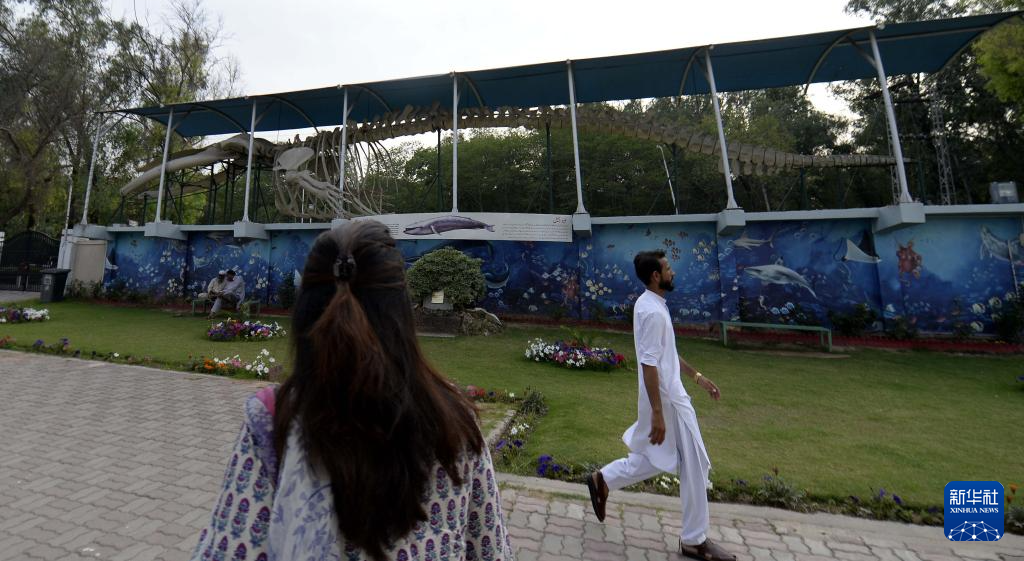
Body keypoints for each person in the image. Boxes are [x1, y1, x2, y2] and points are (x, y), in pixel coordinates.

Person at [191, 220, 513, 561]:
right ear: (401, 313)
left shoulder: (273, 422)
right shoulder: (454, 423)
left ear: (304, 311)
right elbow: (491, 549)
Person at [587, 250, 735, 561]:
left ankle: (603, 479)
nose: (673, 272)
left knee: (656, 458)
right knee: (696, 464)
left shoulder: (651, 304)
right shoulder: (653, 312)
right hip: (669, 401)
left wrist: (697, 377)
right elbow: (649, 363)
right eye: (668, 268)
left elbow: (667, 352)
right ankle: (694, 540)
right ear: (656, 276)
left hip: (667, 397)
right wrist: (658, 413)